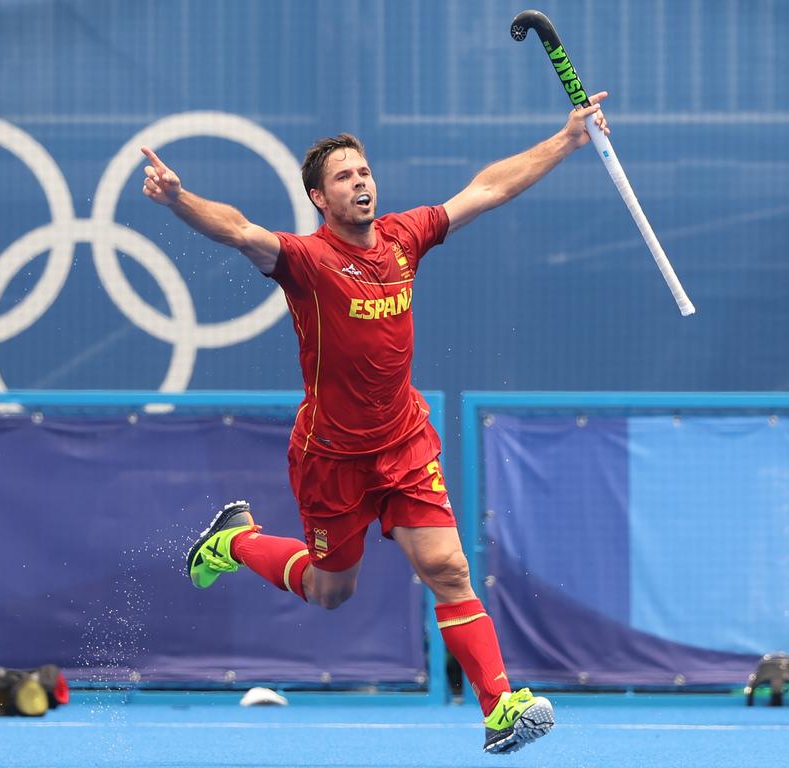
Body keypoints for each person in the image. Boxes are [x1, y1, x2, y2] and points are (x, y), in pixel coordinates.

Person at [141, 93, 610, 753]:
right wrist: (180, 199)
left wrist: (565, 141)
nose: (360, 182)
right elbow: (239, 229)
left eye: (363, 172)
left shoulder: (404, 237)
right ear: (319, 199)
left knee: (447, 568)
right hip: (331, 458)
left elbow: (485, 190)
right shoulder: (304, 263)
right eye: (344, 177)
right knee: (329, 593)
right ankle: (236, 541)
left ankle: (499, 708)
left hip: (404, 444)